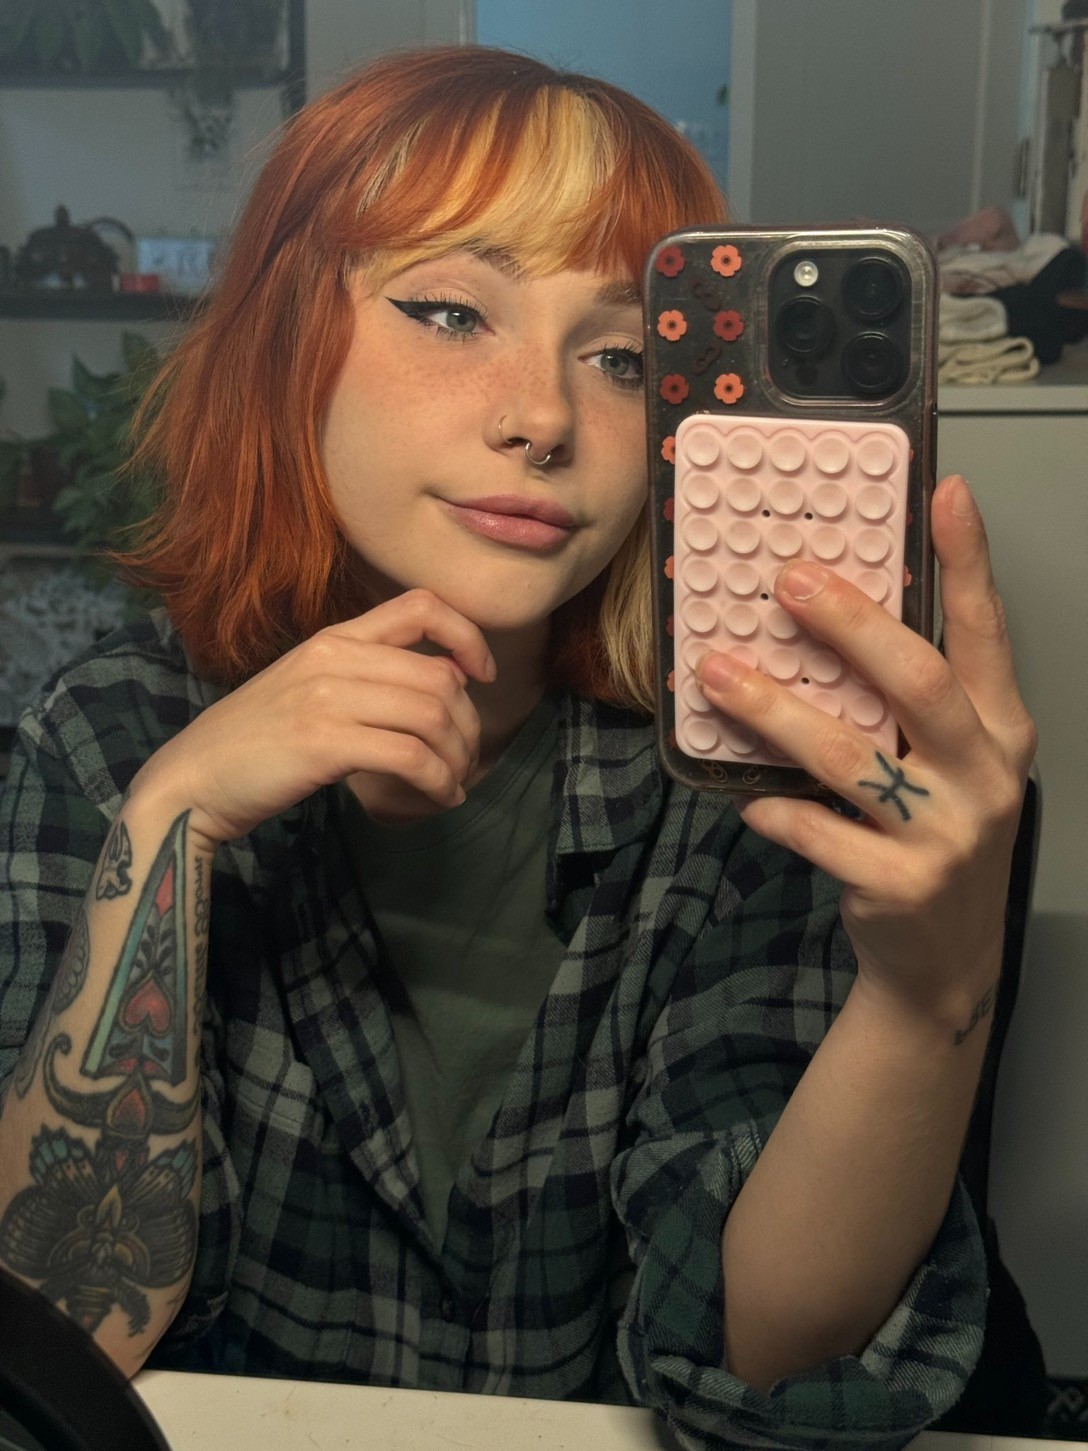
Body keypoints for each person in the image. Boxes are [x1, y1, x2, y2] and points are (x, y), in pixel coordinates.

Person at [0, 45, 1039, 1451]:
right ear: (284, 342)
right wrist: (169, 828)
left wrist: (930, 994)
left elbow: (764, 1362)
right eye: (449, 312)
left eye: (620, 357)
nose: (543, 417)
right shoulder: (111, 736)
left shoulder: (733, 781)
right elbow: (62, 1331)